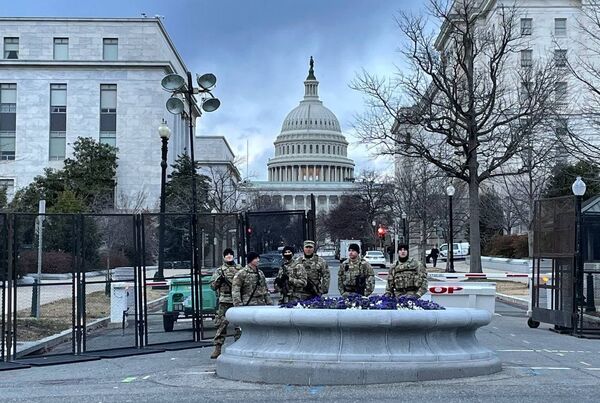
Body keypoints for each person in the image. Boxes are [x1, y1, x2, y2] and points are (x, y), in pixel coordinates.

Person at [209, 248, 242, 359]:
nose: (229, 256)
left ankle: (240, 345)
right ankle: (217, 348)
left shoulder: (239, 269)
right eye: (226, 254)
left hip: (237, 300)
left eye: (231, 254)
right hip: (224, 300)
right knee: (221, 325)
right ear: (223, 257)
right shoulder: (219, 270)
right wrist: (219, 280)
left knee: (239, 326)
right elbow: (213, 286)